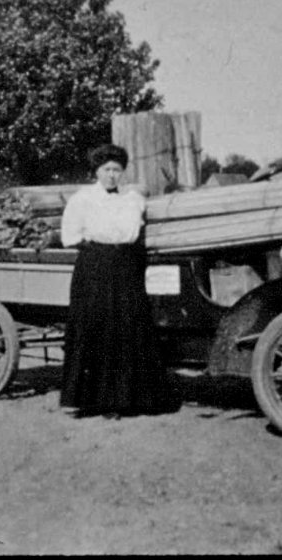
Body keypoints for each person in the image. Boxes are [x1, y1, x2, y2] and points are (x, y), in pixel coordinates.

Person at [59, 144, 172, 418]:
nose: (111, 175)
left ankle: (124, 400)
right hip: (95, 267)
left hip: (127, 266)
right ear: (97, 171)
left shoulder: (132, 199)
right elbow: (70, 236)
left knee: (126, 329)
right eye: (106, 170)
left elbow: (137, 230)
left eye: (117, 170)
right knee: (97, 327)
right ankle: (94, 400)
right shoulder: (82, 199)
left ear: (123, 172)